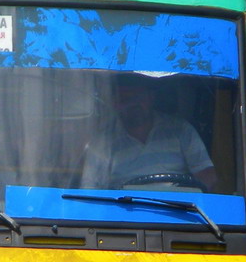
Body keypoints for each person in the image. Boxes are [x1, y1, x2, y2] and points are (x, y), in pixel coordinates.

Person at [80, 74, 218, 192]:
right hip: (124, 218)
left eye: (139, 98)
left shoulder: (181, 130)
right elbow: (89, 191)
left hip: (177, 215)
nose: (134, 105)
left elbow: (207, 176)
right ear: (116, 103)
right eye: (125, 100)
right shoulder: (101, 142)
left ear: (151, 98)